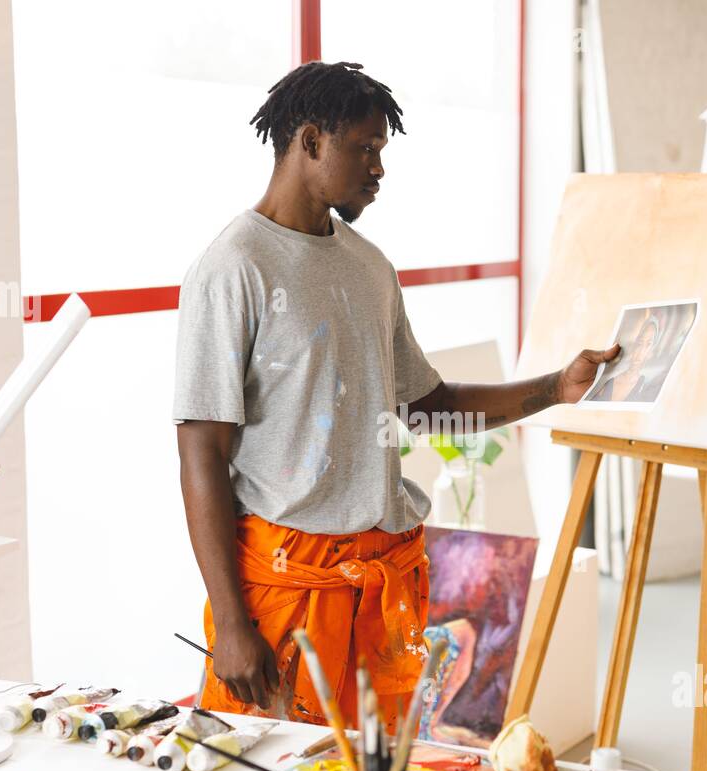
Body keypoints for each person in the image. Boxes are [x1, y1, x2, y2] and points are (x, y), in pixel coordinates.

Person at [174, 61, 617, 731]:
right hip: (288, 586)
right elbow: (202, 451)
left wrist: (555, 388)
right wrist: (232, 621)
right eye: (366, 148)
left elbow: (428, 406)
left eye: (381, 151)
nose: (378, 169)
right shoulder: (234, 267)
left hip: (383, 584)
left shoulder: (369, 266)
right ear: (312, 142)